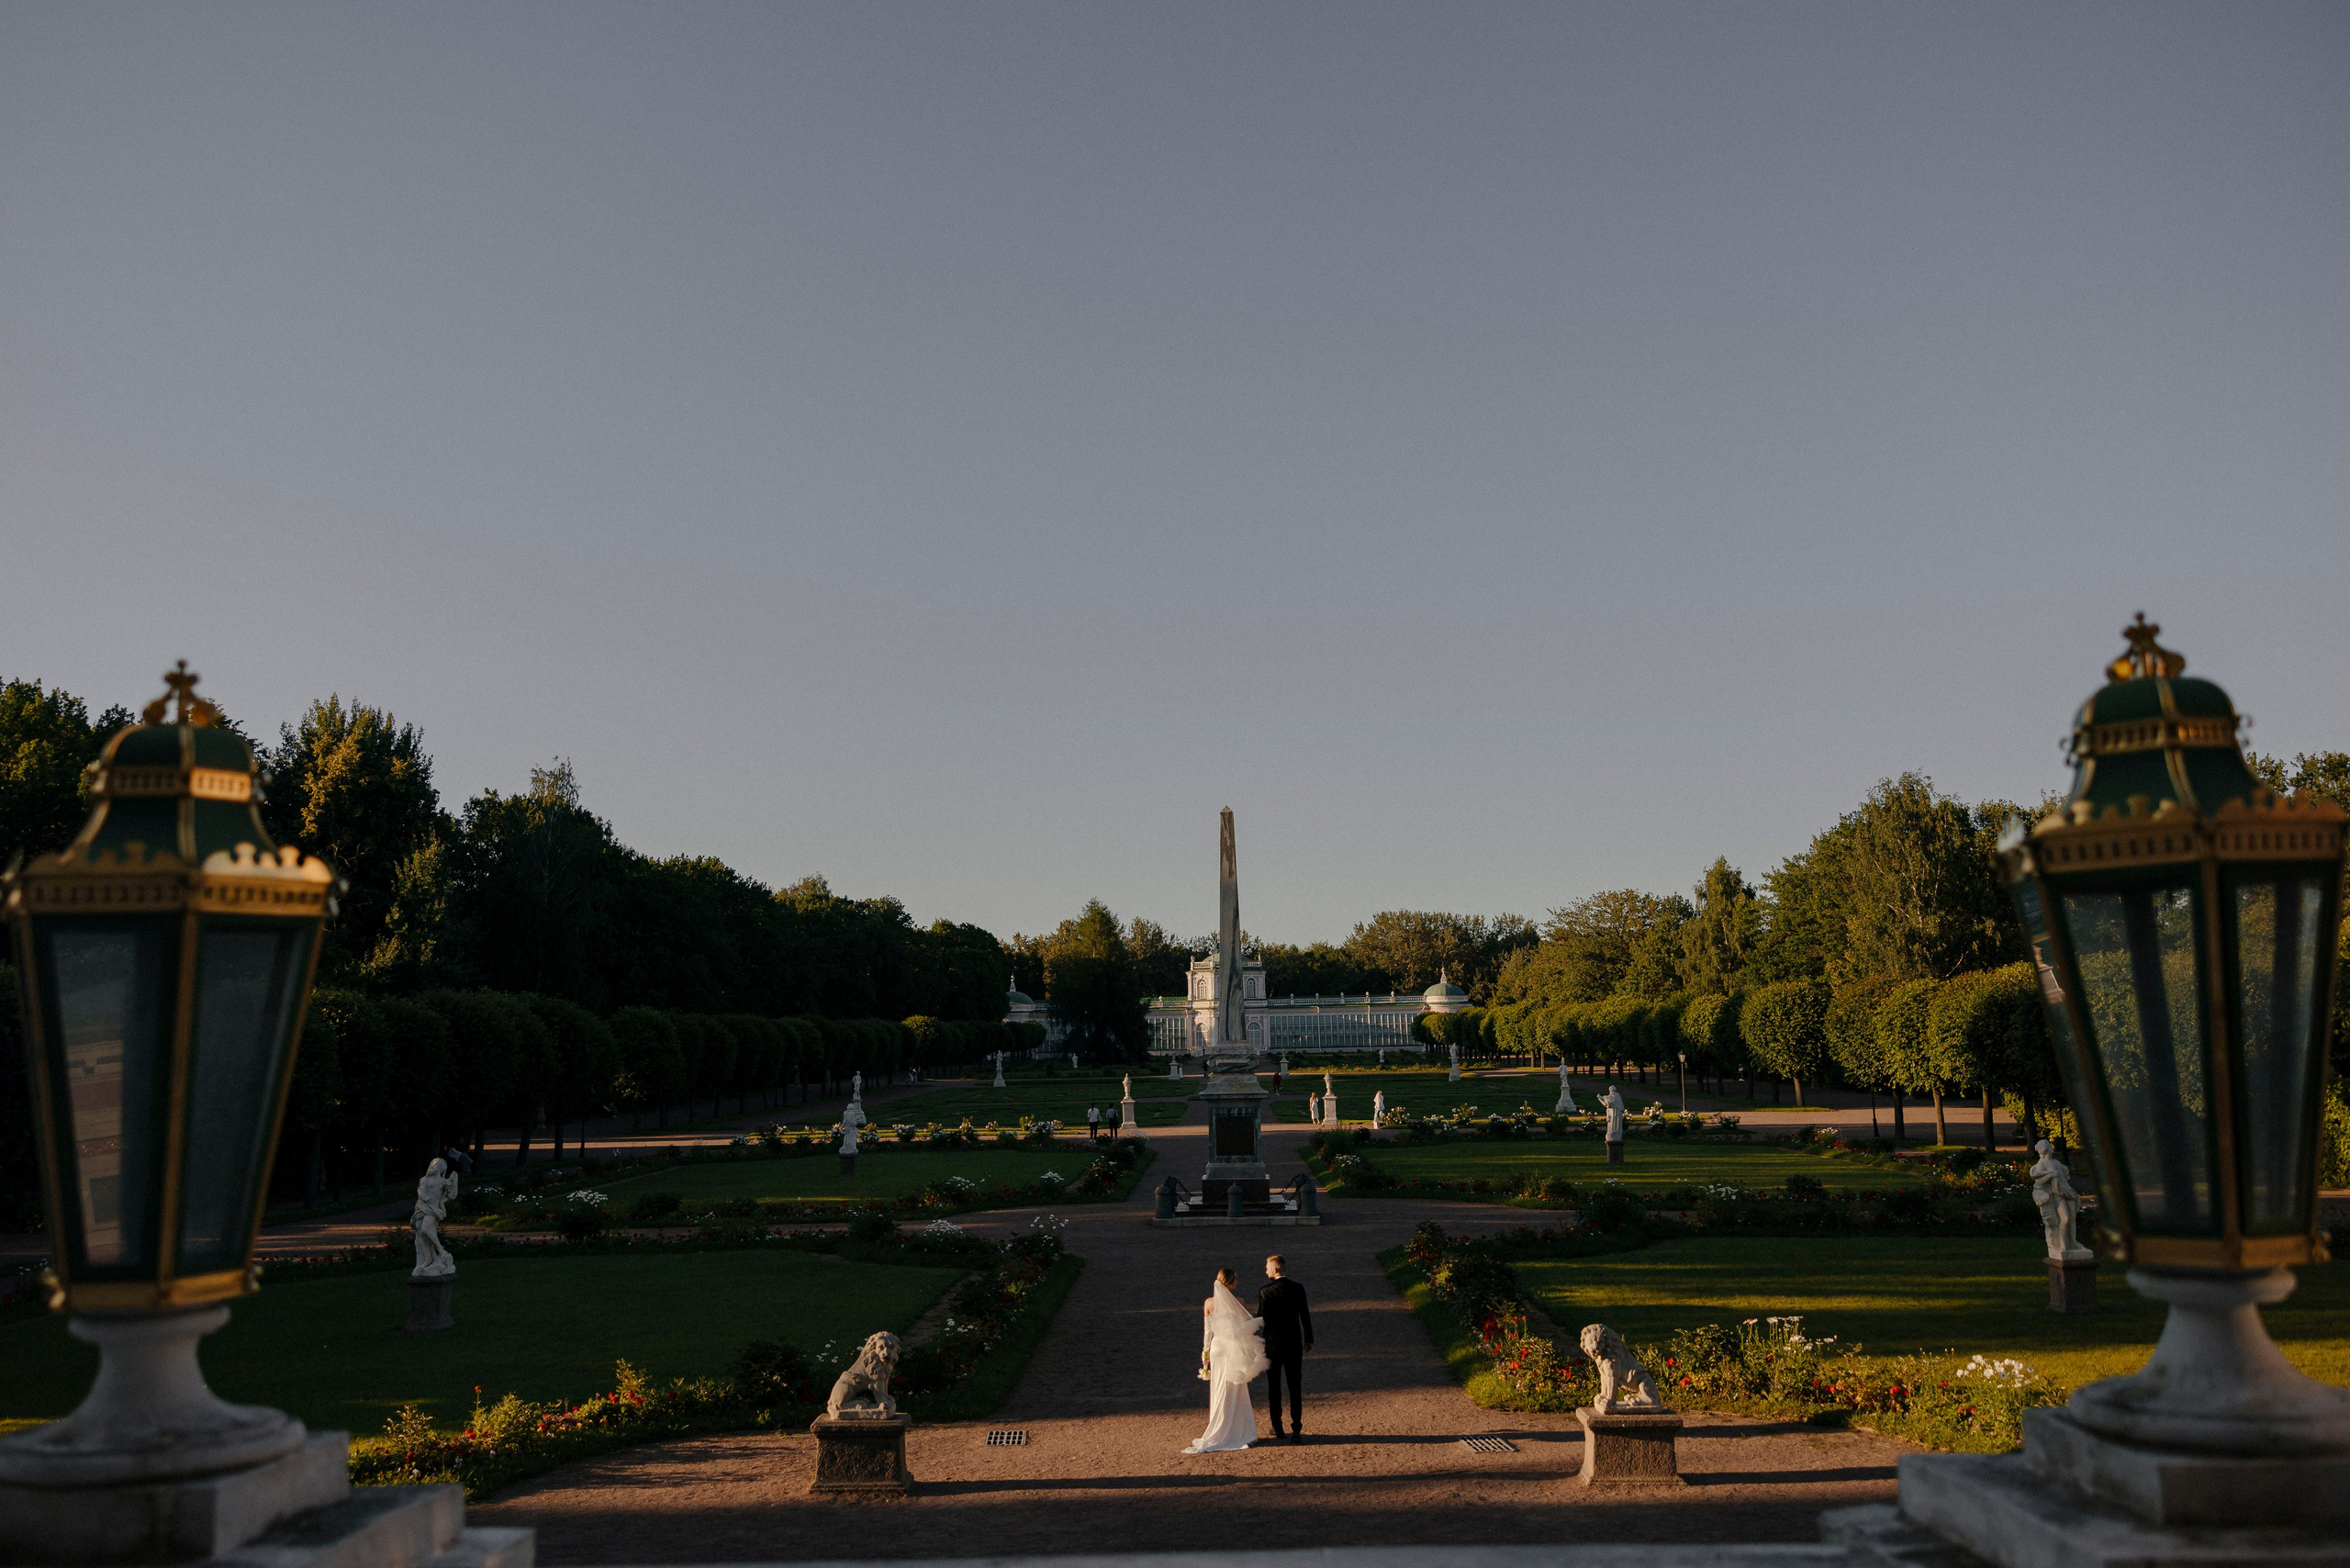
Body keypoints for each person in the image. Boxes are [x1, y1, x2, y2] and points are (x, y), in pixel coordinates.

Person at [1181, 1268, 1269, 1453]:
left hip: (1217, 1348)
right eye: (1236, 1279)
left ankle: (1219, 1426)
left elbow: (1208, 1331)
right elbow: (1247, 1327)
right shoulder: (1239, 1302)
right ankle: (1238, 1431)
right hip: (1231, 1349)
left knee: (1219, 1387)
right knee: (1234, 1387)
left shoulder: (1208, 1303)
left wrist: (1205, 1352)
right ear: (1230, 1283)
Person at [1258, 1254, 1314, 1441]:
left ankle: (1278, 1427)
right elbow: (1304, 1315)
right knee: (1294, 1385)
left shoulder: (1265, 1292)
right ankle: (1296, 1428)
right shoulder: (1298, 1288)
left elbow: (1261, 1319)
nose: (1265, 1271)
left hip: (1273, 1345)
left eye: (1267, 1268)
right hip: (1293, 1343)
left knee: (1274, 1387)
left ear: (1275, 1269)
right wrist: (1309, 1339)